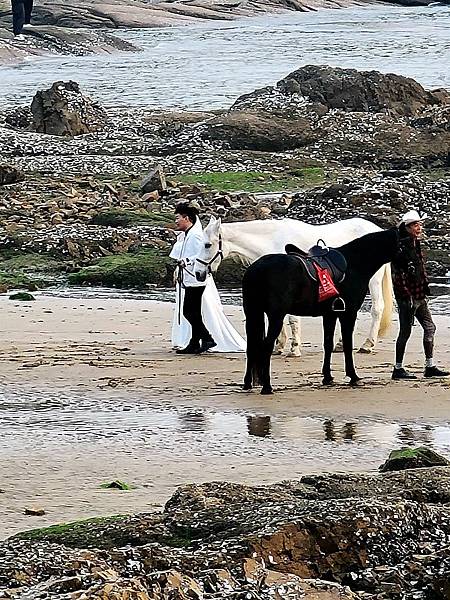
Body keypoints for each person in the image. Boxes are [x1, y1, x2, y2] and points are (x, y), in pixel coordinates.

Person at [169, 202, 245, 355]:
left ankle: (207, 338)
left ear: (187, 218)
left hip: (196, 279)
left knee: (189, 312)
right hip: (190, 278)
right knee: (193, 312)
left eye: (178, 218)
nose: (176, 221)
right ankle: (195, 342)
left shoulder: (196, 236)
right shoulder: (188, 234)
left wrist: (186, 262)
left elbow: (201, 255)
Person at [391, 209, 449, 380]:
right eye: (416, 225)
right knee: (405, 332)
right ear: (407, 227)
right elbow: (398, 275)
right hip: (408, 298)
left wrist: (423, 293)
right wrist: (407, 296)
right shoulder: (401, 248)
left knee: (429, 327)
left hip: (419, 296)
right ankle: (398, 368)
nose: (419, 227)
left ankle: (429, 366)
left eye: (419, 224)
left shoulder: (414, 243)